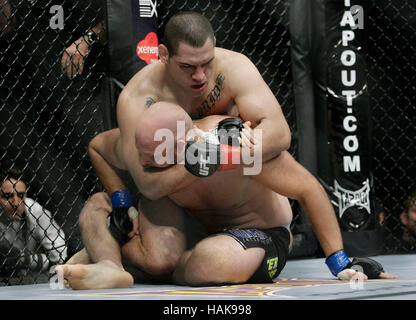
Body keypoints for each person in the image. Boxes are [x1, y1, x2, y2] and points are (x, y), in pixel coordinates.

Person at [56, 101, 396, 289]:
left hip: (260, 234)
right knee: (95, 209)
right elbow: (98, 147)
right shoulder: (147, 144)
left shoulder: (234, 148)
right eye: (140, 156)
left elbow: (308, 189)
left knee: (210, 262)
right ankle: (113, 260)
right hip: (192, 231)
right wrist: (121, 201)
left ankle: (112, 249)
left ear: (184, 145)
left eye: (152, 158)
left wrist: (340, 262)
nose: (143, 166)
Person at [0, 166, 67, 277]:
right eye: (8, 196)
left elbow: (59, 251)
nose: (16, 203)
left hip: (29, 276)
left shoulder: (33, 209)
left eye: (21, 195)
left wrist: (26, 260)